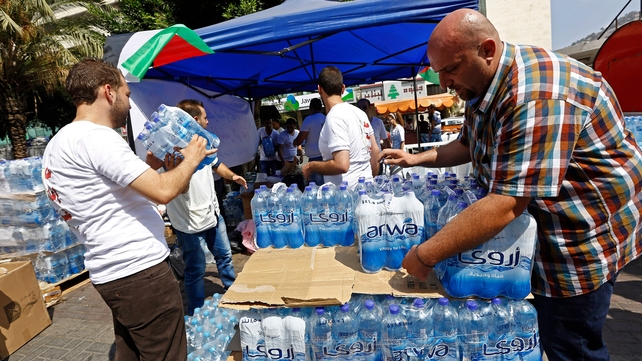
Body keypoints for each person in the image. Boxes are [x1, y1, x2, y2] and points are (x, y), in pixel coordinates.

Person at [381, 9, 642, 361]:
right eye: (438, 72)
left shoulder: (537, 95)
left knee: (571, 345)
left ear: (487, 49)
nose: (444, 83)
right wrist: (418, 159)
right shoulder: (482, 86)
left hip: (581, 240)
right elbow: (467, 145)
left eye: (451, 69)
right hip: (542, 234)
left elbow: (505, 204)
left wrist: (427, 254)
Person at [41, 58, 216, 360]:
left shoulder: (59, 143)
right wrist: (192, 156)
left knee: (131, 354)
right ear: (109, 92)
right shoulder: (97, 138)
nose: (128, 103)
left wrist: (155, 169)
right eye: (127, 95)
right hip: (140, 272)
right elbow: (163, 192)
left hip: (113, 273)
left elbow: (116, 200)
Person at [165, 99, 247, 316]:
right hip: (188, 223)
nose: (208, 121)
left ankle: (233, 291)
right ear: (194, 120)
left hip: (213, 216)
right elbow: (176, 186)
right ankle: (196, 312)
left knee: (225, 257)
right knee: (195, 269)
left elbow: (217, 164)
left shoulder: (204, 143)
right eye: (205, 117)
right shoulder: (173, 149)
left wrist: (233, 176)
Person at [302, 66, 380, 188]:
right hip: (367, 189)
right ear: (343, 88)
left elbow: (341, 164)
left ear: (319, 89)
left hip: (347, 197)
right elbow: (375, 153)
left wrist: (312, 166)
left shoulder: (334, 116)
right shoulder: (360, 113)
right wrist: (371, 180)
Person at [294, 98, 325, 185]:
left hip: (315, 159)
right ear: (321, 108)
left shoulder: (309, 119)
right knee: (326, 185)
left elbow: (300, 139)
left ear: (310, 108)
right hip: (327, 157)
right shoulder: (326, 118)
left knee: (317, 187)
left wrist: (294, 142)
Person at [277, 118, 305, 191]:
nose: (290, 129)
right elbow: (279, 149)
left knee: (297, 176)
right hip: (285, 160)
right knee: (287, 179)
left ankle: (299, 190)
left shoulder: (297, 133)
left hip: (294, 160)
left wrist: (301, 155)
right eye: (288, 127)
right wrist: (283, 161)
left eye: (291, 127)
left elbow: (298, 145)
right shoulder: (282, 135)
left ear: (295, 126)